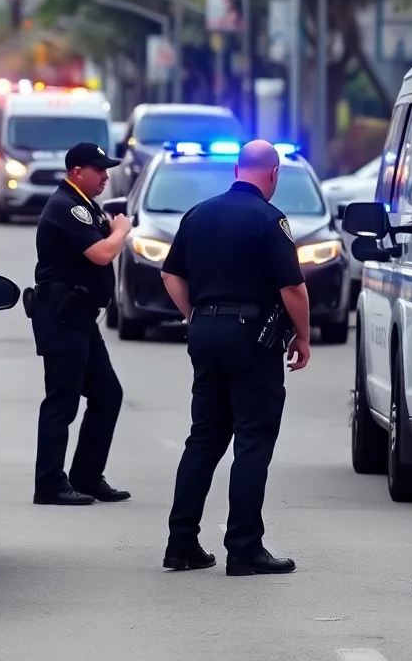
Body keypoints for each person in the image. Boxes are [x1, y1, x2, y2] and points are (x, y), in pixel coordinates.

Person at [159, 140, 311, 577]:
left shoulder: (198, 213)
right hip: (252, 339)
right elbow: (292, 288)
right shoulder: (269, 219)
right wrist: (302, 336)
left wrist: (198, 316)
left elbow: (170, 273)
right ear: (273, 174)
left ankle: (181, 543)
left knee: (204, 437)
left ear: (237, 169)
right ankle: (244, 547)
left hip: (204, 331)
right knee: (252, 441)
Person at [30, 141, 132, 506]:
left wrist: (109, 226)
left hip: (79, 315)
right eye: (99, 169)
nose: (106, 176)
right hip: (63, 313)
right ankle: (49, 483)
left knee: (107, 394)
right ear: (77, 172)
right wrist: (120, 230)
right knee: (63, 399)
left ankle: (87, 475)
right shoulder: (67, 207)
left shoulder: (84, 206)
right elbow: (102, 254)